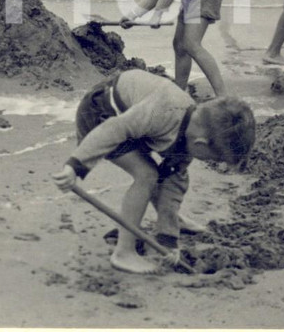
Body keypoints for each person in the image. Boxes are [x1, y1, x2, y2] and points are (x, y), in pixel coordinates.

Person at [51, 69, 256, 274]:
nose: (212, 162)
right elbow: (113, 130)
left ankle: (171, 219)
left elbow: (173, 181)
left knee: (170, 174)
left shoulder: (193, 130)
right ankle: (123, 253)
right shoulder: (164, 111)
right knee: (146, 175)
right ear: (201, 144)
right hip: (101, 113)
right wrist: (75, 166)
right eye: (214, 158)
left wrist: (168, 240)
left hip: (133, 117)